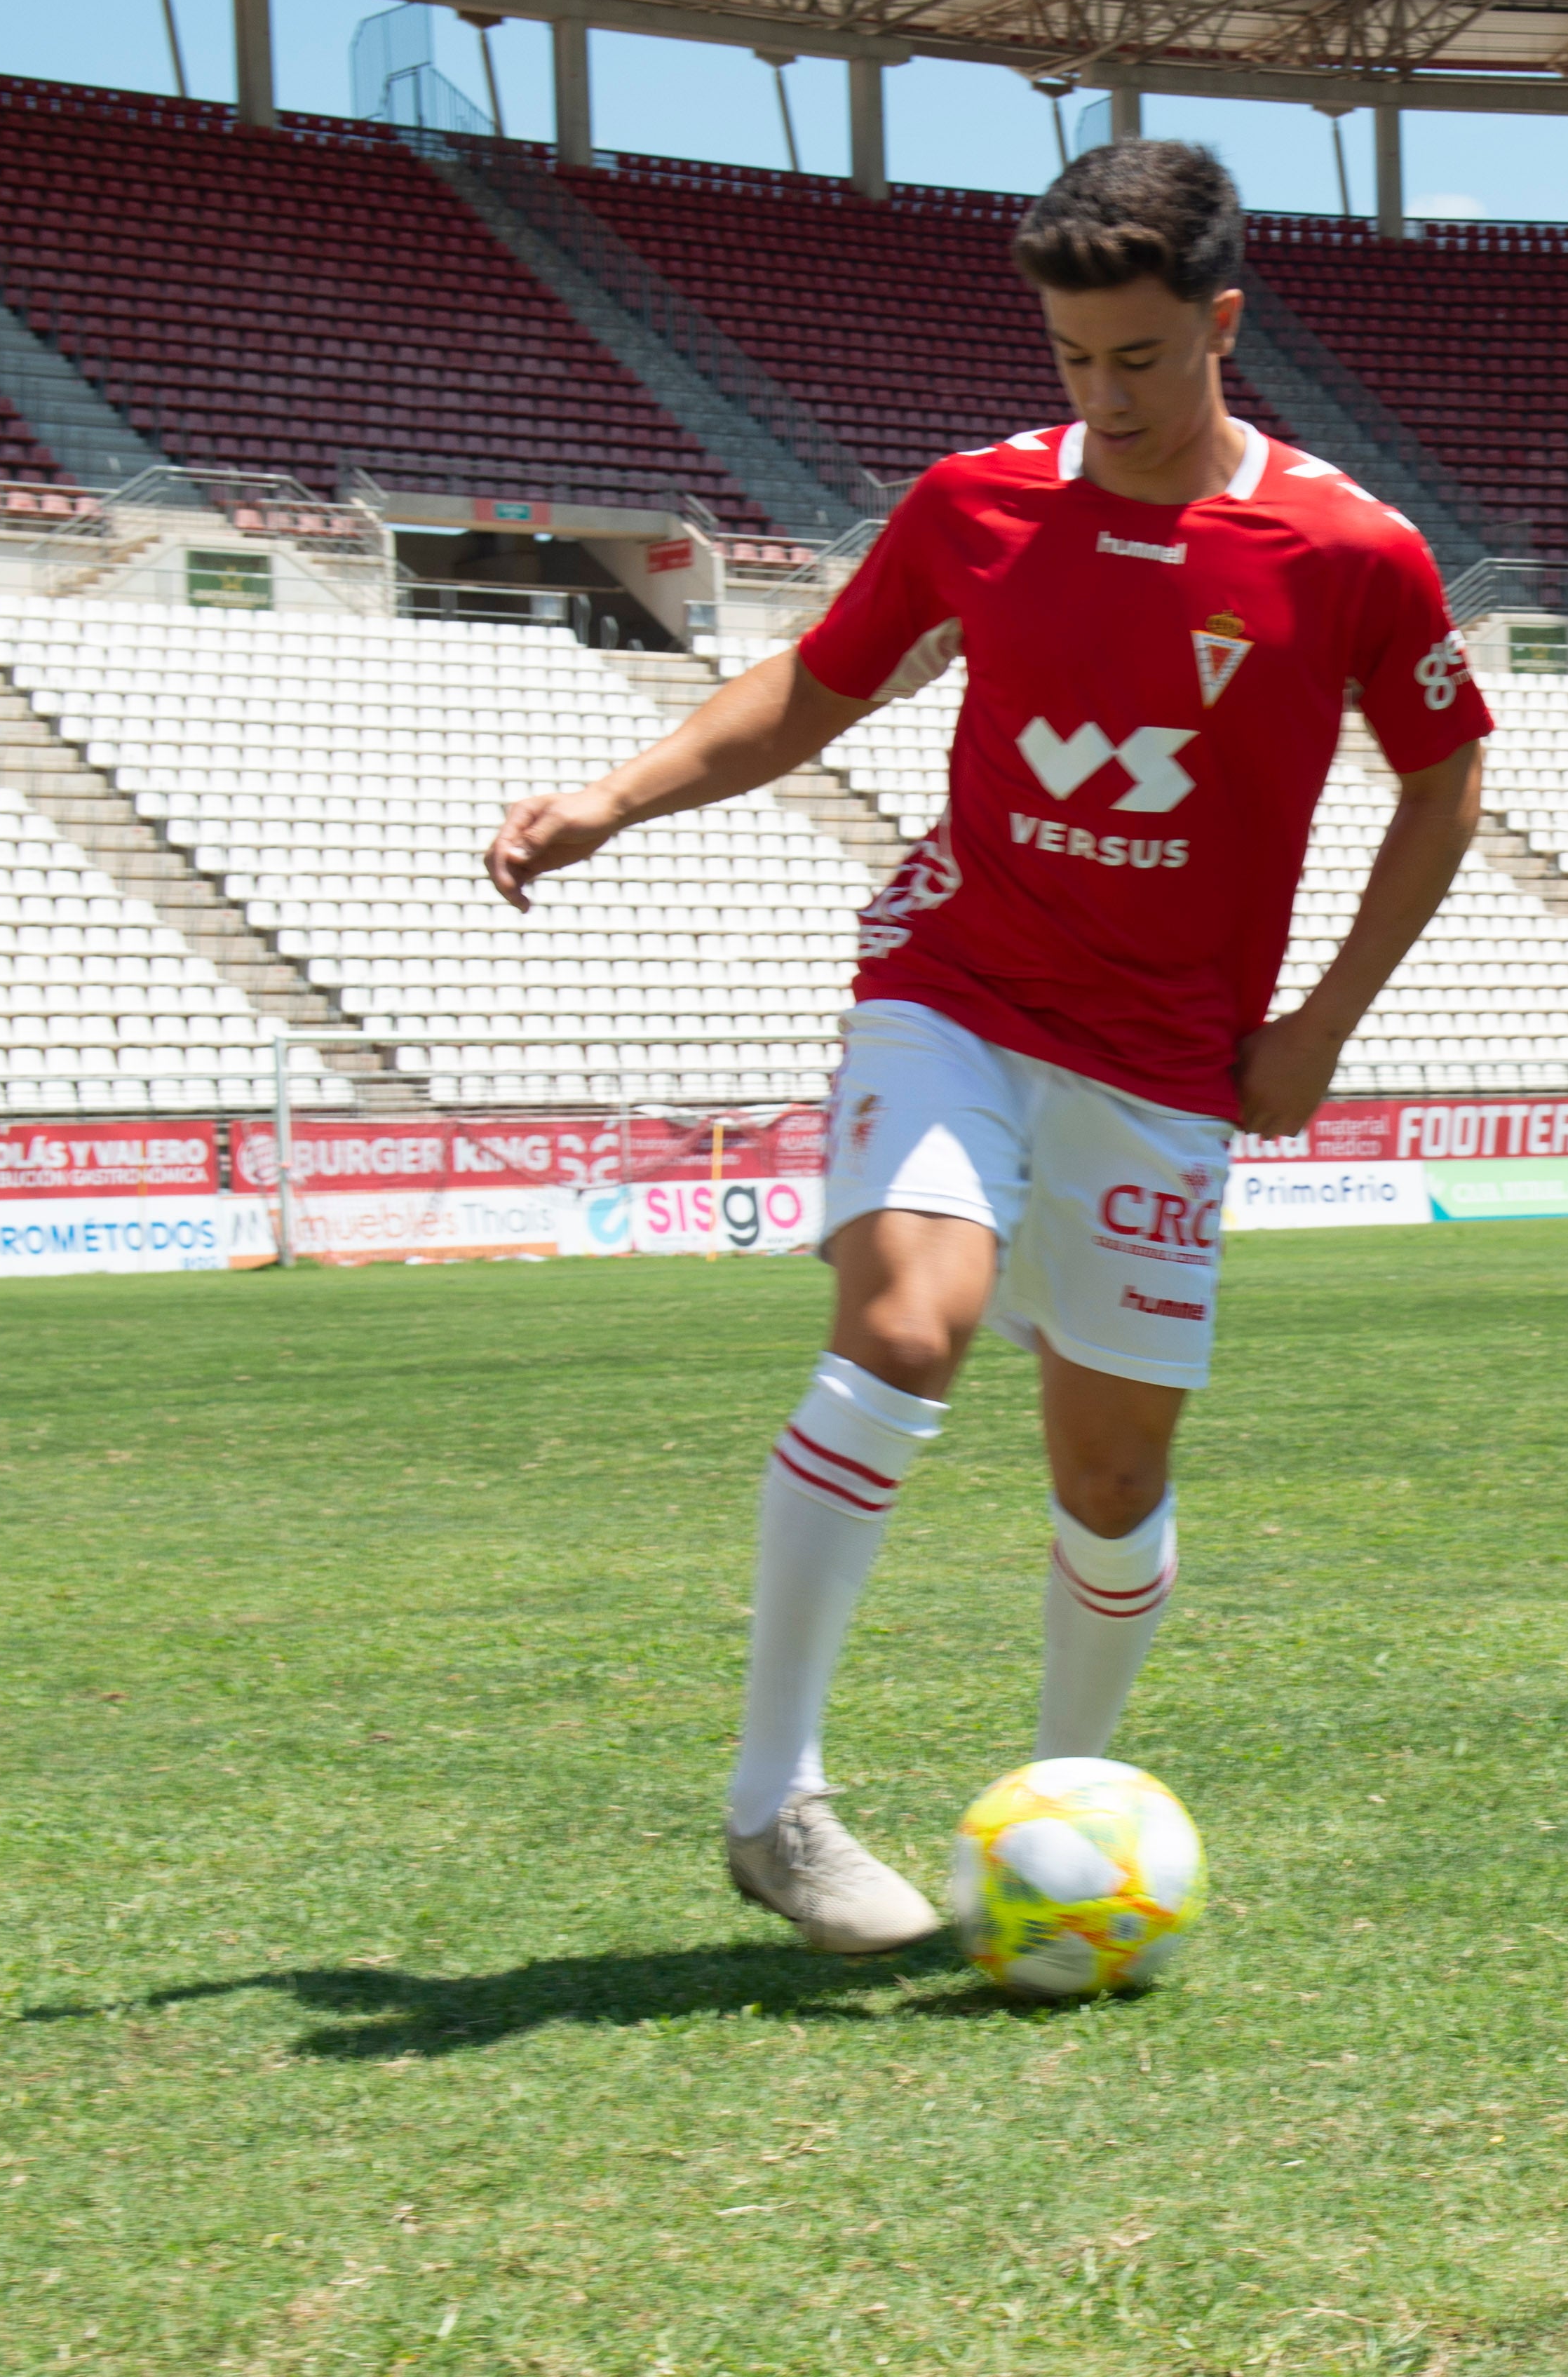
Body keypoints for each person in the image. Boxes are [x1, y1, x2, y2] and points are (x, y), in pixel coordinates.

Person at [482, 140, 1490, 1951]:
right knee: (903, 1326)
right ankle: (771, 1805)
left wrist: (1321, 1027)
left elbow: (1440, 786)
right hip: (958, 984)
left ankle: (1055, 1817)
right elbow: (814, 684)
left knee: (1110, 1486)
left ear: (1220, 326)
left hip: (1172, 1057)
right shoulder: (973, 506)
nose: (1100, 397)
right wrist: (611, 799)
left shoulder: (1348, 550)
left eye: (1138, 360)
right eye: (1070, 359)